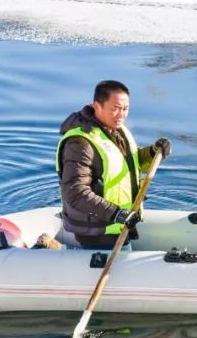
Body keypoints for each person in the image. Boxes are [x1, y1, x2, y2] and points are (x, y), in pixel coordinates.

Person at [56, 80, 172, 249]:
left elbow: (129, 163)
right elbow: (75, 192)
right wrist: (116, 214)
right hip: (97, 231)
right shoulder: (80, 143)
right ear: (97, 106)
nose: (121, 115)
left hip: (117, 224)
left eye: (125, 109)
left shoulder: (115, 130)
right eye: (116, 108)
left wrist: (153, 152)